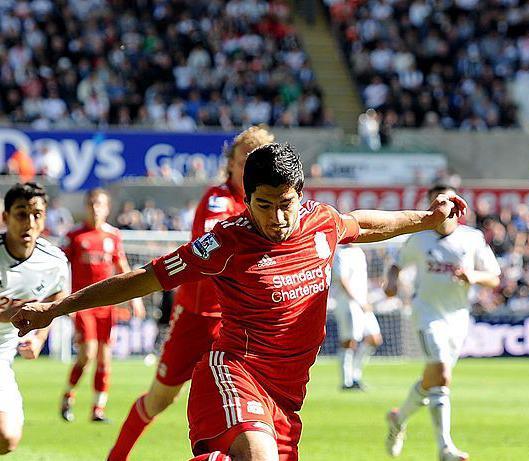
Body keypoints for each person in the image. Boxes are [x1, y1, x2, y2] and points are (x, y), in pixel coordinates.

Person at [11, 143, 467, 461]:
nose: (277, 217)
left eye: (286, 203)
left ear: (300, 196)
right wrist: (56, 308)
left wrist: (427, 218)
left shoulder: (322, 223)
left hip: (287, 395)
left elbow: (365, 225)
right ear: (245, 200)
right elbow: (145, 279)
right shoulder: (226, 242)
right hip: (235, 375)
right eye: (264, 205)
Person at [107, 125, 275, 460]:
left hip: (238, 323)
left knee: (247, 405)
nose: (249, 168)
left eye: (257, 161)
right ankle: (116, 457)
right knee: (160, 399)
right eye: (244, 160)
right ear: (230, 164)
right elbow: (215, 244)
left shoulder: (268, 203)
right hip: (198, 318)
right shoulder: (218, 200)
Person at [383, 183, 501, 461]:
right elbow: (397, 263)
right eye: (436, 204)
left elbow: (494, 278)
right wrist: (391, 282)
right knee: (442, 374)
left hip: (458, 318)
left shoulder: (472, 238)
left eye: (447, 203)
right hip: (426, 313)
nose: (441, 209)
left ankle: (398, 419)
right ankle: (444, 447)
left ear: (457, 208)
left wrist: (473, 276)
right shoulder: (419, 238)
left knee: (432, 380)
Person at [60, 188, 145, 423]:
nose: (95, 209)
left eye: (99, 204)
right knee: (87, 353)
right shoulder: (75, 236)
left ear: (107, 208)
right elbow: (61, 267)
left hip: (107, 305)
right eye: (91, 204)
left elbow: (122, 267)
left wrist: (135, 298)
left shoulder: (113, 236)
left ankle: (98, 408)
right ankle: (68, 395)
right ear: (86, 207)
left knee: (104, 357)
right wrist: (62, 298)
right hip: (82, 303)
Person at [0, 182, 69, 454]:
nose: (29, 223)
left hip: (2, 353)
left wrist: (39, 337)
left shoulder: (54, 262)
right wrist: (7, 314)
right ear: (5, 217)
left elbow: (58, 299)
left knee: (7, 438)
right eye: (21, 214)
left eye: (36, 214)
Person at [331, 244, 382, 391]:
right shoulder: (340, 253)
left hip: (363, 303)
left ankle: (355, 375)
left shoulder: (359, 251)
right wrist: (358, 301)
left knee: (374, 339)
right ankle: (346, 381)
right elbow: (342, 281)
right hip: (347, 303)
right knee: (349, 341)